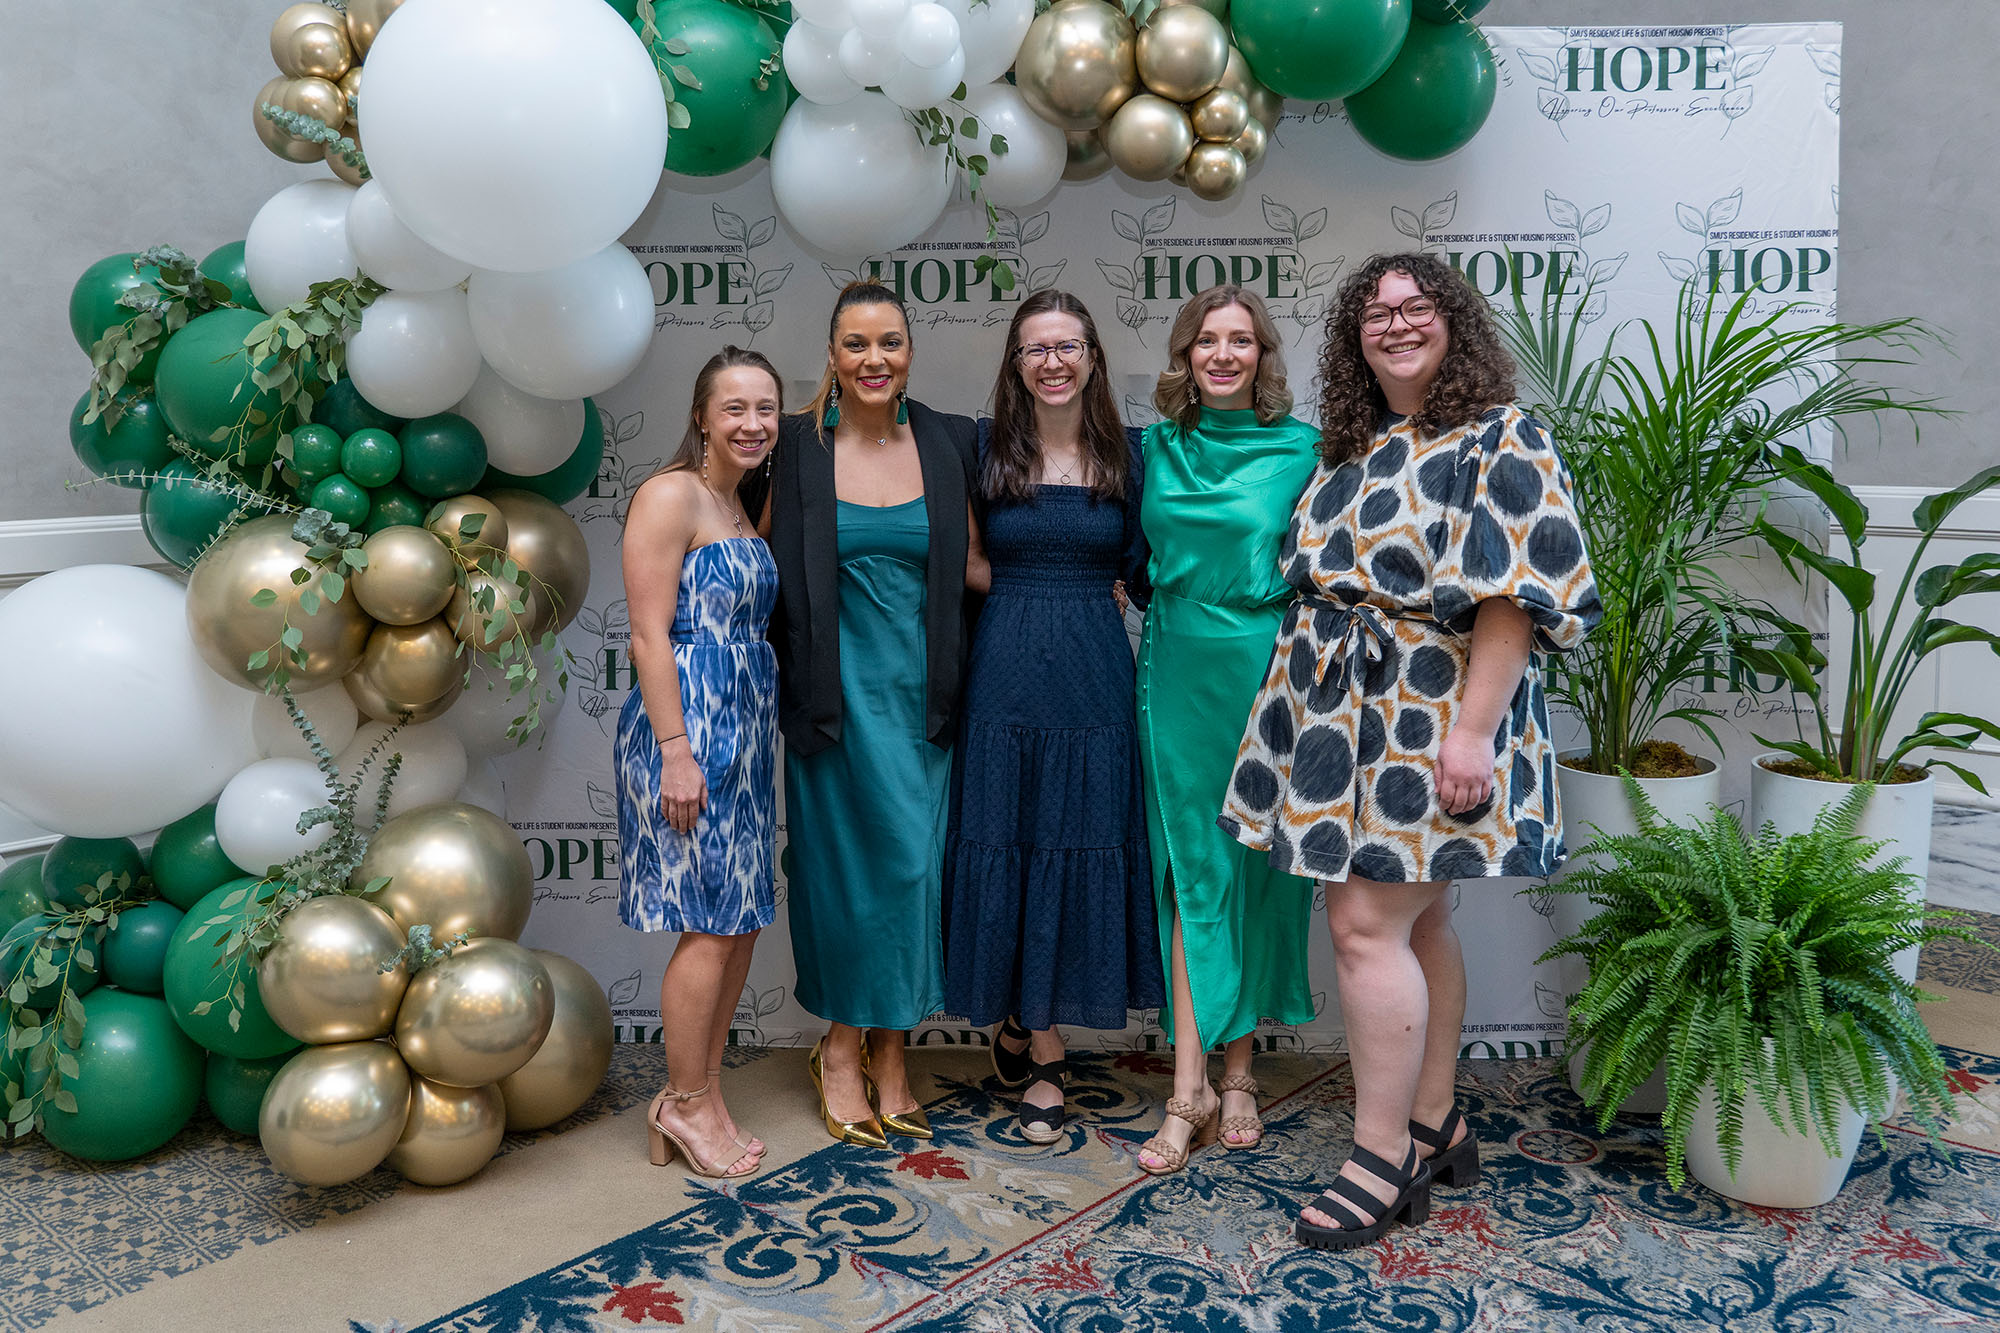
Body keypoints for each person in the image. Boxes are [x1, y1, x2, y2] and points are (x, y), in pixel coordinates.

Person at [1218, 253, 1600, 1249]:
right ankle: (1436, 1122)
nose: (1392, 323)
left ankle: (1379, 1150)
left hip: (1428, 717)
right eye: (1372, 312)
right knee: (1417, 919)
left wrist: (1472, 732)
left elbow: (1511, 594)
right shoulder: (1355, 443)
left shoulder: (1500, 434)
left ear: (1451, 323)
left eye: (1413, 306)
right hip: (1339, 711)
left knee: (1359, 926)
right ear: (1354, 337)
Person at [747, 280, 986, 1148]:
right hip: (831, 706)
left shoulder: (950, 441)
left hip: (926, 700)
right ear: (833, 356)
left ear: (911, 351)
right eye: (856, 344)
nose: (874, 360)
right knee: (845, 885)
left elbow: (980, 565)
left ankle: (894, 1052)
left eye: (890, 342)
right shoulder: (796, 451)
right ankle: (842, 1049)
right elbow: (747, 554)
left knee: (916, 877)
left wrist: (1069, 585)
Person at [943, 290, 1165, 1143]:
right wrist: (1039, 590)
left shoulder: (1133, 454)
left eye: (1067, 345)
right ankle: (1043, 1051)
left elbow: (1150, 566)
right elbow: (961, 558)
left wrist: (1107, 588)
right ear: (1016, 364)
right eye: (1034, 349)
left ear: (1093, 357)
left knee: (1075, 841)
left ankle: (1029, 1017)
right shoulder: (982, 447)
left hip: (1095, 679)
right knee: (1013, 836)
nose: (1052, 362)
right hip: (1003, 672)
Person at [1132, 286, 1321, 1175]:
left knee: (1251, 872)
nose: (1222, 354)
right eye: (1207, 339)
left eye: (1240, 340)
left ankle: (1235, 1075)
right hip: (1175, 668)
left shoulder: (1305, 449)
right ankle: (1190, 1087)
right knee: (1192, 867)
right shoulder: (1156, 447)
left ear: (1263, 356)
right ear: (1185, 353)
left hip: (1265, 667)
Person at [613, 346, 784, 1179]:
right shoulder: (670, 494)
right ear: (702, 417)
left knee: (742, 916)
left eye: (766, 408)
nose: (753, 424)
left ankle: (702, 1092)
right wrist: (676, 753)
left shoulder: (737, 500)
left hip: (746, 731)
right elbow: (648, 633)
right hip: (689, 729)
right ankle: (681, 1103)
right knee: (710, 921)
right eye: (736, 408)